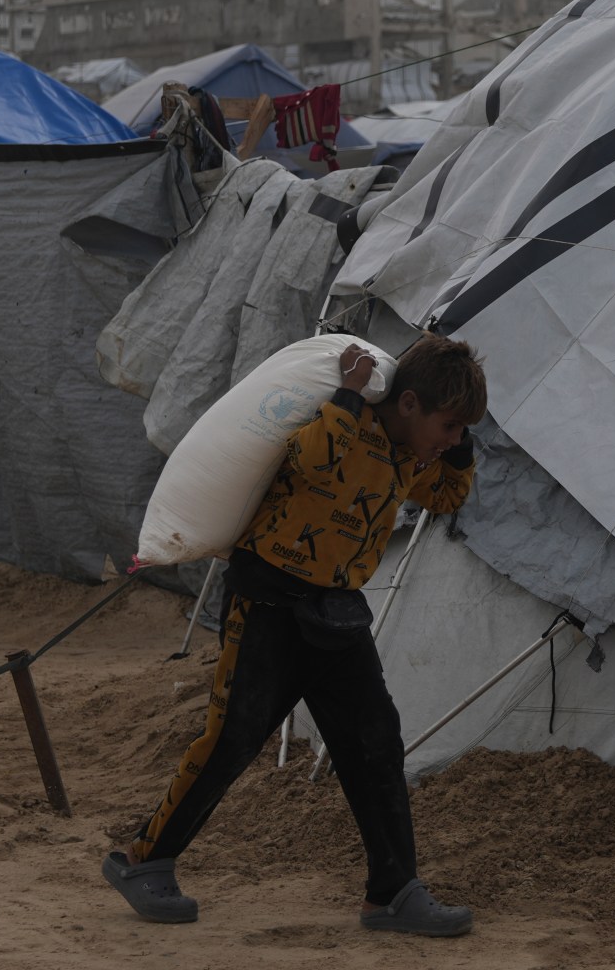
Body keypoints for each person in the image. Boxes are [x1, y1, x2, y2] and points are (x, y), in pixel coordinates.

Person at [105, 334, 487, 936]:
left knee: (376, 744)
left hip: (334, 615)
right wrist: (347, 395)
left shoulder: (406, 455)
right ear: (408, 403)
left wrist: (460, 448)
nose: (451, 439)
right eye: (448, 424)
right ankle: (143, 861)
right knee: (233, 738)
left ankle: (392, 892)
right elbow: (311, 460)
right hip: (267, 604)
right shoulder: (343, 422)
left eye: (460, 430)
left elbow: (446, 495)